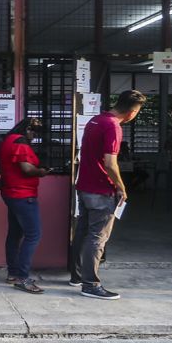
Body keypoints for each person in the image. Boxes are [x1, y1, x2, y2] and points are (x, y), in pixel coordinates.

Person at [71, 89, 147, 300]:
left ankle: (76, 276)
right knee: (97, 237)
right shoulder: (113, 127)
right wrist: (121, 187)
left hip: (84, 186)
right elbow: (110, 163)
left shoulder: (96, 120)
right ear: (132, 112)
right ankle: (91, 284)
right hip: (101, 190)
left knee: (83, 232)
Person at [0, 118, 51, 294]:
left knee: (14, 234)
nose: (34, 137)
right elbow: (27, 169)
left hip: (10, 193)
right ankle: (22, 277)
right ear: (27, 128)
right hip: (23, 195)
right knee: (33, 235)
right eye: (34, 133)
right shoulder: (20, 142)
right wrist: (41, 172)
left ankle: (13, 273)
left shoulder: (8, 140)